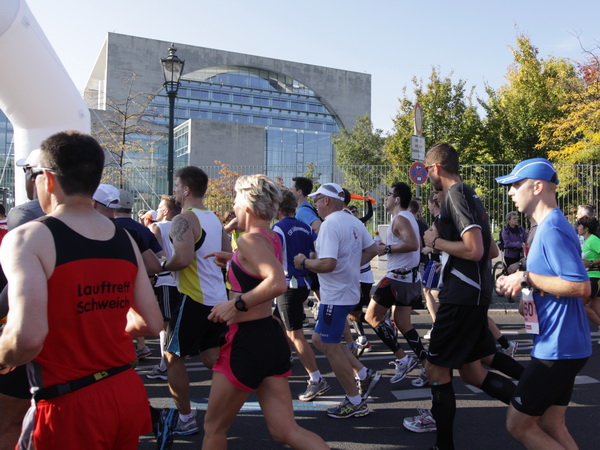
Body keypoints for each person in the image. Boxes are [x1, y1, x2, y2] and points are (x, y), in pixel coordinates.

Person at [0, 131, 163, 449]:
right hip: (124, 391)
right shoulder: (125, 238)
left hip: (68, 404)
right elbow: (150, 322)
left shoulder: (28, 238)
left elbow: (27, 339)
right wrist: (95, 323)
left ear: (47, 179)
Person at [202, 175, 329, 450]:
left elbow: (276, 282)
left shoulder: (249, 241)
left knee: (213, 429)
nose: (233, 206)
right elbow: (260, 268)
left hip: (245, 340)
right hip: (269, 336)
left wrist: (235, 304)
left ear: (247, 206)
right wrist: (234, 262)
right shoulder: (270, 236)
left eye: (235, 201)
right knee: (286, 431)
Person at [409, 143, 522, 448]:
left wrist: (436, 242)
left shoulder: (456, 194)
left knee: (435, 370)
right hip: (473, 293)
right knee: (472, 371)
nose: (427, 177)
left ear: (435, 168)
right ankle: (533, 400)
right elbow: (492, 250)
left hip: (461, 295)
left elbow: (475, 250)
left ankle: (443, 445)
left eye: (427, 170)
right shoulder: (468, 193)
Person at [495, 157, 592, 449]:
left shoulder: (552, 229)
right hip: (561, 343)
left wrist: (526, 278)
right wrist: (524, 286)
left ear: (537, 187)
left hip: (558, 347)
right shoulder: (548, 226)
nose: (510, 191)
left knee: (518, 424)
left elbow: (581, 287)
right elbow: (553, 280)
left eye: (516, 185)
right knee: (552, 423)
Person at [292, 183, 380, 419]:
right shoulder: (352, 220)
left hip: (336, 294)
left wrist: (304, 262)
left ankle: (355, 401)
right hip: (344, 291)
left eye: (317, 199)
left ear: (327, 201)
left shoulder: (330, 224)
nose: (315, 204)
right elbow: (372, 250)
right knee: (319, 339)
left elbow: (328, 264)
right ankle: (363, 374)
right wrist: (349, 265)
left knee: (329, 345)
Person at [159, 166, 231, 435]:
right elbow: (227, 254)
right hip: (217, 297)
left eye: (177, 186)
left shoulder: (184, 219)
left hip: (193, 297)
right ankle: (247, 385)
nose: (175, 191)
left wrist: (160, 265)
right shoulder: (215, 219)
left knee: (172, 357)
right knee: (212, 357)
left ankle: (186, 418)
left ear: (187, 189)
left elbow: (182, 259)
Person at [0, 149, 45, 450]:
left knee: (10, 424)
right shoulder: (105, 228)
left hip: (25, 336)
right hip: (83, 354)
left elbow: (16, 285)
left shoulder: (23, 215)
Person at [365, 182, 428, 388]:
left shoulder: (400, 218)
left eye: (389, 195)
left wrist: (387, 249)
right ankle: (427, 366)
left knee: (371, 317)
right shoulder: (408, 217)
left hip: (397, 278)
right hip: (409, 278)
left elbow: (413, 244)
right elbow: (416, 244)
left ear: (397, 200)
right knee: (402, 323)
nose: (386, 198)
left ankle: (403, 359)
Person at [272, 189, 330, 401]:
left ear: (278, 207)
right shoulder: (305, 227)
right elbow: (316, 252)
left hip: (289, 286)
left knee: (296, 335)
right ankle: (280, 362)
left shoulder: (278, 229)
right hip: (303, 283)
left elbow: (272, 259)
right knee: (277, 323)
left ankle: (316, 379)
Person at [146, 195, 182, 380]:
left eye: (159, 208)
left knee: (165, 325)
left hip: (166, 279)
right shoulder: (183, 225)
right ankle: (170, 363)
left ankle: (165, 365)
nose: (157, 211)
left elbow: (155, 252)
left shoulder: (158, 227)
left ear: (166, 211)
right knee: (173, 323)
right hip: (181, 279)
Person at [575, 215, 600, 337]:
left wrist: (591, 263)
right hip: (590, 276)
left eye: (580, 225)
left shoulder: (593, 240)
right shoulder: (586, 240)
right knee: (595, 307)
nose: (578, 228)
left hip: (594, 277)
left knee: (579, 305)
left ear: (586, 228)